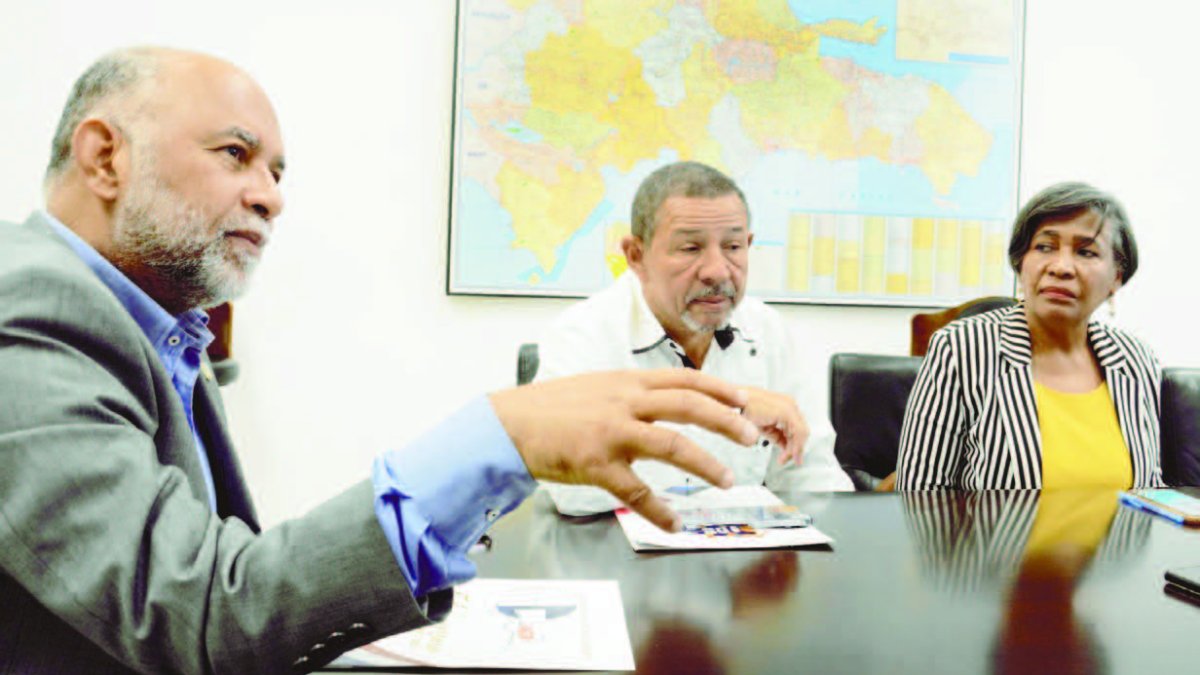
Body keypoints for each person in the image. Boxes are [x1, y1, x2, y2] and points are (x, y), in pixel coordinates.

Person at [0, 47, 766, 674]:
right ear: (105, 157)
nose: (271, 197)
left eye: (277, 172)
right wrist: (499, 437)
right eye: (237, 155)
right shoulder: (32, 310)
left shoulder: (161, 325)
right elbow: (202, 613)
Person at [536, 161, 852, 515]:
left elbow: (814, 480)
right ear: (636, 256)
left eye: (733, 247)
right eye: (690, 249)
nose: (717, 271)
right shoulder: (582, 336)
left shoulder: (769, 332)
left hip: (740, 565)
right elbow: (573, 492)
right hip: (619, 559)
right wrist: (732, 402)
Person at [896, 182, 1163, 490]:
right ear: (1021, 263)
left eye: (1086, 252)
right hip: (994, 540)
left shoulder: (1135, 360)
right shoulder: (962, 350)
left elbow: (1149, 492)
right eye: (1044, 247)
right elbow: (920, 497)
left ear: (1116, 277)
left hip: (1118, 540)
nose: (1061, 267)